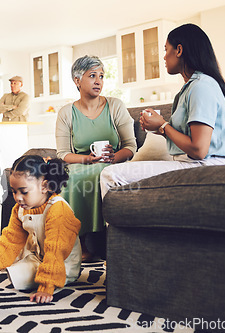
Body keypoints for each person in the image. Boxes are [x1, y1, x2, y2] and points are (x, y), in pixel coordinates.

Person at [100, 23, 225, 197]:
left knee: (110, 174)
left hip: (202, 168)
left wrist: (163, 125)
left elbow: (199, 150)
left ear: (178, 50)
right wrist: (159, 129)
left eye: (166, 50)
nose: (163, 57)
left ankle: (113, 225)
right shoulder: (192, 87)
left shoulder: (201, 87)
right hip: (193, 165)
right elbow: (189, 140)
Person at [56, 55, 136, 261]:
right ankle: (78, 243)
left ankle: (96, 242)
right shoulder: (66, 113)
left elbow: (131, 147)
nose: (98, 81)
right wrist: (87, 160)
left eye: (101, 76)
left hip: (113, 163)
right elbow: (62, 153)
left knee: (101, 173)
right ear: (77, 81)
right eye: (92, 76)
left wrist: (113, 158)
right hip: (83, 164)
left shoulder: (115, 106)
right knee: (68, 178)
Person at [0, 155, 81, 304]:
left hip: (60, 264)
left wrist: (46, 286)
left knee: (17, 274)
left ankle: (48, 277)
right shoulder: (19, 209)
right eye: (14, 191)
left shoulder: (58, 209)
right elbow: (10, 240)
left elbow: (55, 252)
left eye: (24, 191)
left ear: (45, 186)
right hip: (36, 254)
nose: (18, 198)